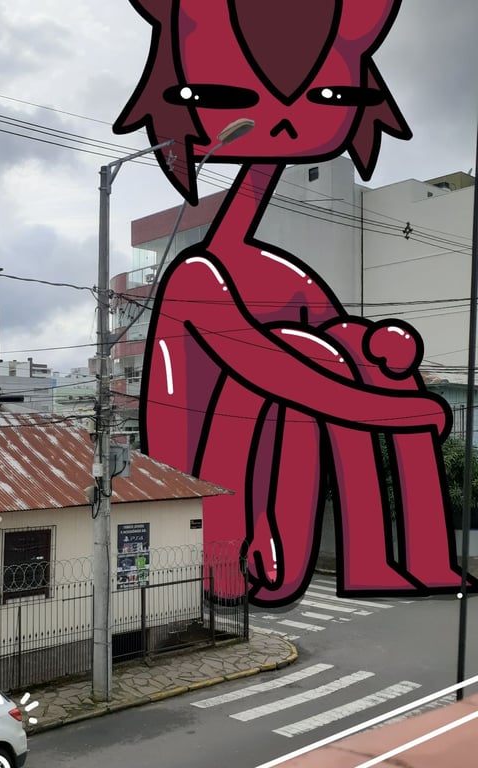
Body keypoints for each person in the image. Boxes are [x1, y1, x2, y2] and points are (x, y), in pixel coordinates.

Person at [114, 0, 473, 605]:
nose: (282, 121)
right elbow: (272, 369)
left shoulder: (289, 280)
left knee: (335, 352)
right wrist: (397, 413)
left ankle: (404, 560)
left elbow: (331, 358)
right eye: (223, 94)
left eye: (328, 97)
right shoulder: (197, 276)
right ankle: (379, 558)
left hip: (267, 480)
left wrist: (379, 358)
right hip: (213, 500)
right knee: (313, 354)